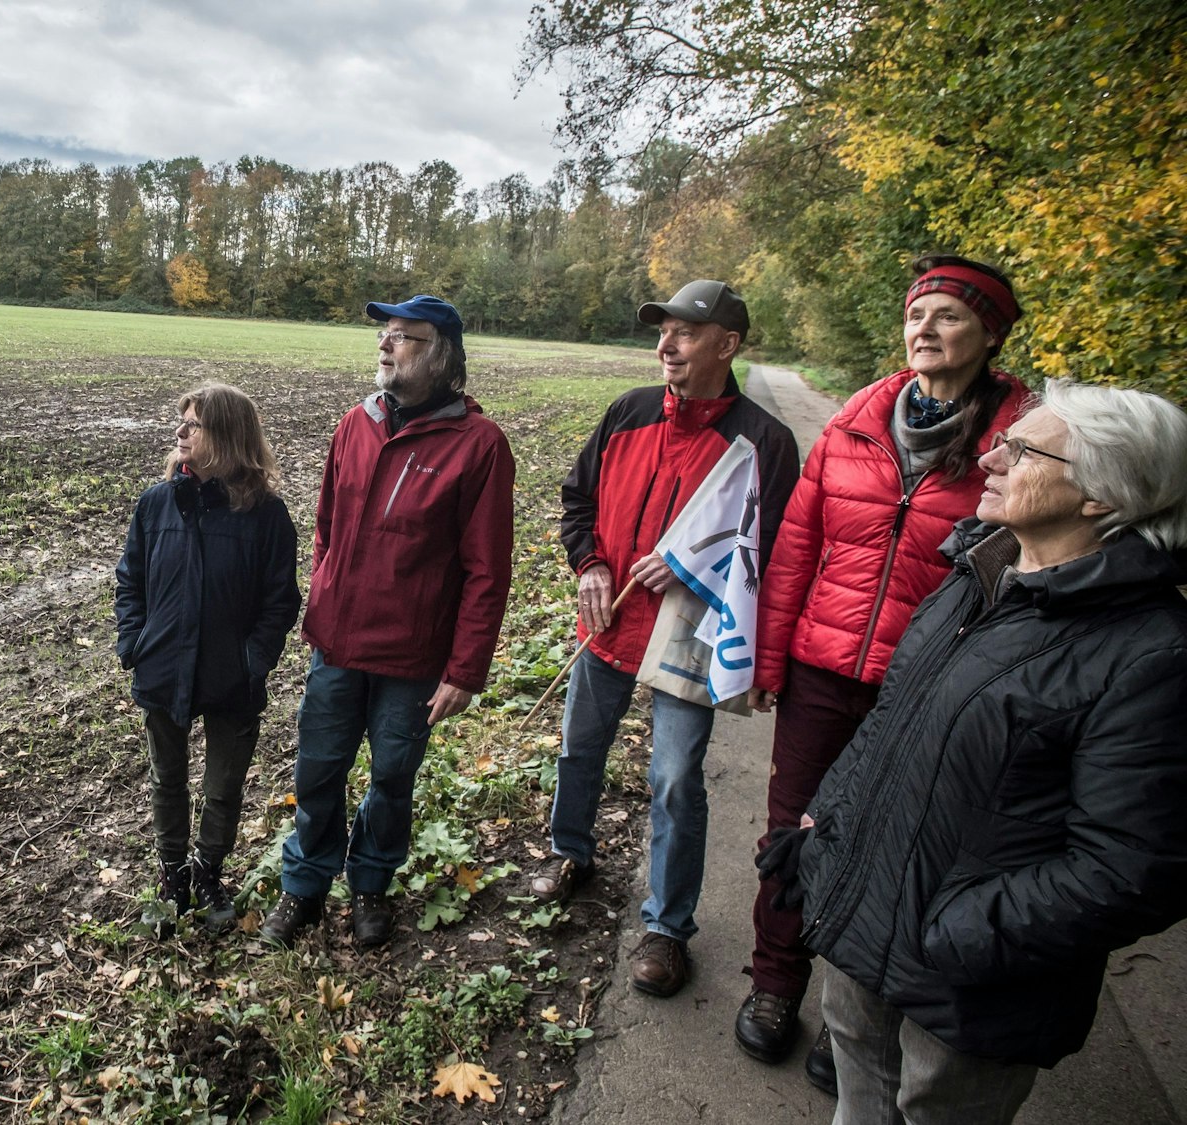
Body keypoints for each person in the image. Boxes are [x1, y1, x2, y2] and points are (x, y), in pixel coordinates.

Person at [761, 380, 1187, 1124]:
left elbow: (1134, 867)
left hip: (971, 982)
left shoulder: (1152, 654)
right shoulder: (977, 574)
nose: (989, 458)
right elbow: (893, 719)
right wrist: (828, 823)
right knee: (859, 1091)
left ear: (1100, 495)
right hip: (870, 921)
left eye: (1023, 451)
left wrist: (961, 933)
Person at [734, 256, 1028, 1086]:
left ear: (991, 334)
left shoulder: (1020, 442)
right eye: (916, 315)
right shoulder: (855, 422)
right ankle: (774, 985)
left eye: (948, 316)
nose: (924, 329)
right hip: (823, 669)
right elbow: (796, 549)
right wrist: (769, 656)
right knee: (792, 832)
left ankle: (853, 1021)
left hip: (930, 685)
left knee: (898, 849)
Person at [530, 280, 799, 998]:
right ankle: (569, 851)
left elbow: (771, 555)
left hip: (691, 634)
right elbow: (577, 500)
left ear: (727, 345)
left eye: (684, 332)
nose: (666, 346)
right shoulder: (629, 411)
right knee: (579, 749)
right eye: (662, 332)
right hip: (610, 622)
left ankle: (667, 928)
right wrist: (589, 563)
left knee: (676, 778)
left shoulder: (765, 444)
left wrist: (693, 571)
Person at [260, 294, 515, 950]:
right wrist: (324, 598)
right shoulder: (356, 423)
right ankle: (305, 884)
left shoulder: (479, 445)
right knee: (317, 771)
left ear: (442, 355)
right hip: (337, 645)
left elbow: (487, 570)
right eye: (385, 334)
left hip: (413, 657)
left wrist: (465, 670)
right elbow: (326, 526)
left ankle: (371, 882)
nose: (385, 344)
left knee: (393, 776)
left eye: (403, 336)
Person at [114, 382, 300, 934]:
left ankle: (207, 871)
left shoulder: (266, 515)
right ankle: (172, 875)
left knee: (223, 787)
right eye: (182, 422)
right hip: (163, 667)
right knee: (166, 780)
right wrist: (134, 643)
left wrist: (253, 660)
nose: (180, 432)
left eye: (193, 424)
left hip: (232, 679)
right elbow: (131, 581)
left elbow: (280, 601)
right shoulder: (156, 502)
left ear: (226, 436)